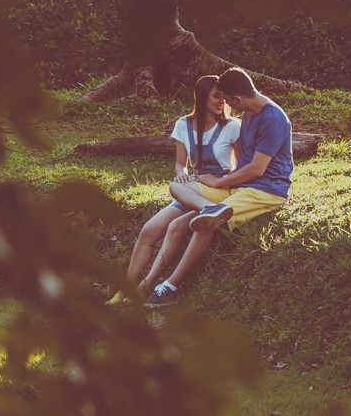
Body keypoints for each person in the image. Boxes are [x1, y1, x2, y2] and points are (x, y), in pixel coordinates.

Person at [144, 66, 293, 305]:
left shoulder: (273, 119)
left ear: (238, 98)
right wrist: (214, 183)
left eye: (228, 100)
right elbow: (243, 163)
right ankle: (209, 208)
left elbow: (256, 169)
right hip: (240, 187)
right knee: (178, 188)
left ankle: (169, 287)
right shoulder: (249, 114)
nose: (227, 105)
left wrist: (220, 181)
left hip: (265, 191)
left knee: (204, 226)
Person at [106, 75, 240, 304]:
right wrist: (182, 172)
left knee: (175, 225)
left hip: (218, 189)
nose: (222, 102)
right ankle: (124, 289)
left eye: (224, 97)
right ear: (201, 97)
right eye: (217, 96)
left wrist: (220, 182)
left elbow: (241, 166)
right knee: (149, 230)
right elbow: (181, 163)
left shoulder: (232, 126)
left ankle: (144, 286)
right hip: (192, 191)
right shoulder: (184, 124)